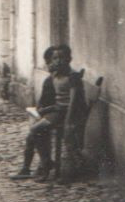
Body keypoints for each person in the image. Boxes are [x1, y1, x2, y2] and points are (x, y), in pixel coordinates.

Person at [10, 44, 89, 182]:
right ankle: (40, 165)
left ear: (69, 59)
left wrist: (69, 122)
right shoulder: (54, 76)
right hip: (58, 111)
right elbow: (55, 99)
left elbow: (73, 102)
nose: (58, 61)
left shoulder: (73, 77)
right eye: (55, 58)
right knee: (34, 133)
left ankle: (46, 165)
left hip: (68, 114)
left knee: (36, 129)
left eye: (62, 57)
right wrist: (45, 109)